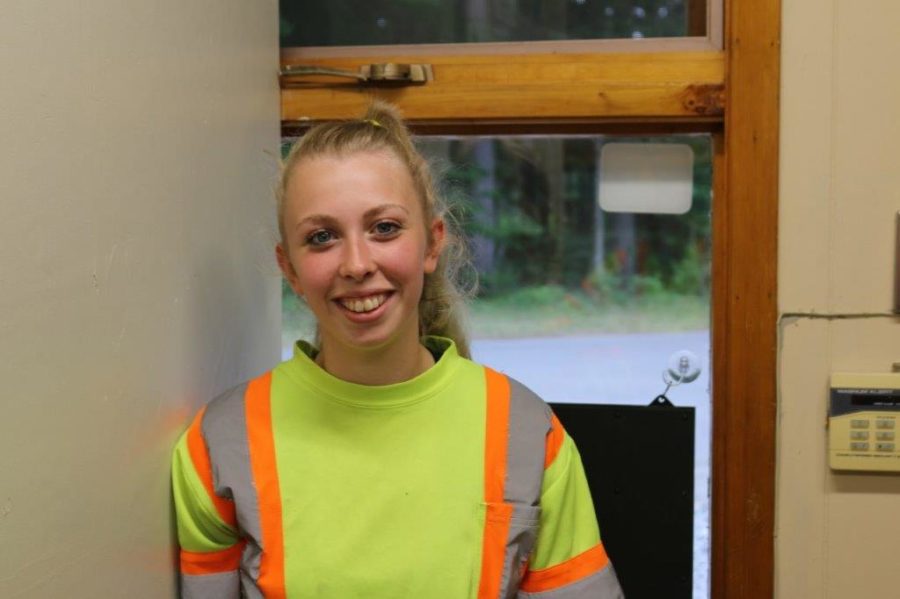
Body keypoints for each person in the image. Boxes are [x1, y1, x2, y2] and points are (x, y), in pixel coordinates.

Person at [171, 101, 624, 598]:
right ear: (290, 270)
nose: (357, 263)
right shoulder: (219, 445)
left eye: (384, 227)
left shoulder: (527, 432)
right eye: (321, 237)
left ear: (432, 244)